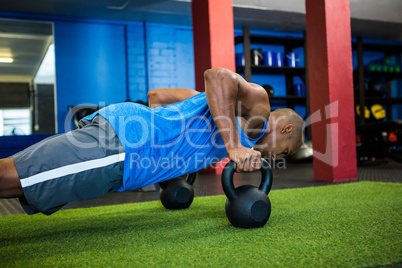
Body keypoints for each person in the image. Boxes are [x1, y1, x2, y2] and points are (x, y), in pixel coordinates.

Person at [0, 67, 304, 215]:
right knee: (13, 177)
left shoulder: (211, 105)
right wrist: (234, 146)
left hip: (124, 154)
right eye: (285, 152)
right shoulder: (258, 113)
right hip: (122, 147)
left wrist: (169, 153)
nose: (276, 156)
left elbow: (156, 97)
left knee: (23, 183)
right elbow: (219, 76)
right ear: (287, 130)